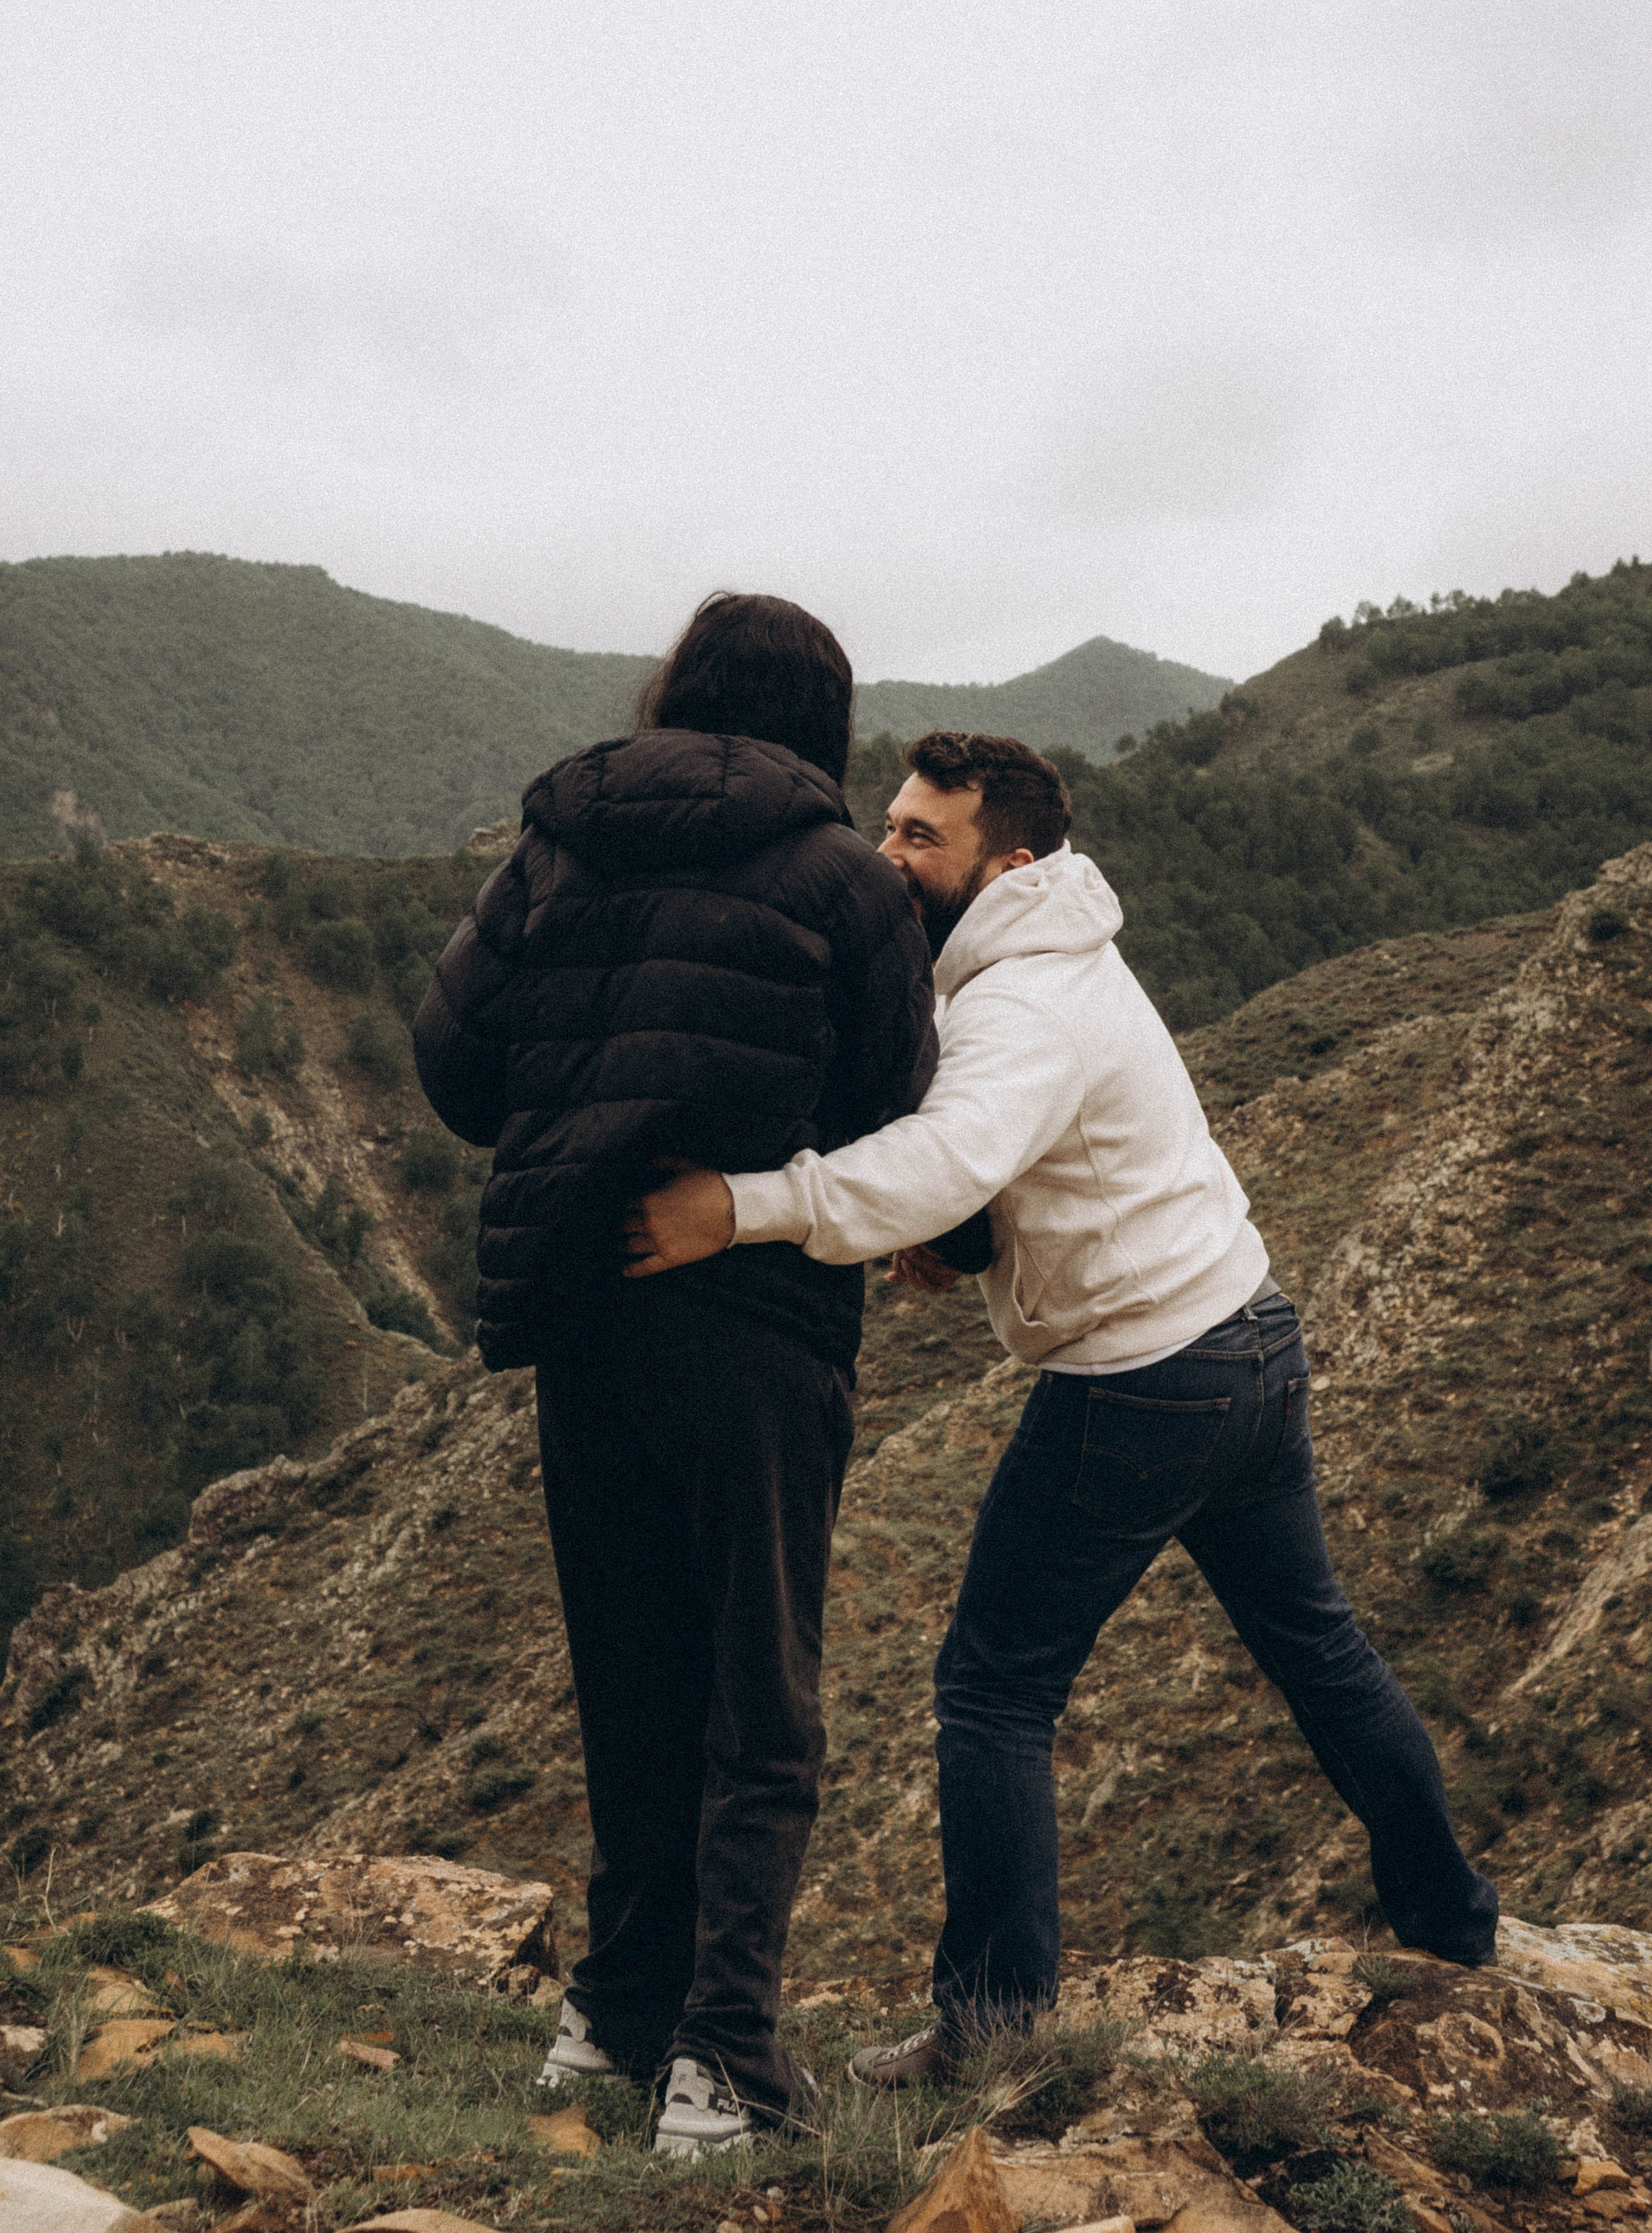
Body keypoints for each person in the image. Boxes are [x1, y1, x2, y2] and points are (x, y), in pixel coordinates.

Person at [623, 728, 1499, 2084]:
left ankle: (988, 2031)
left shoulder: (1017, 999)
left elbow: (952, 1153)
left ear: (1008, 862)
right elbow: (1007, 1166)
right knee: (1316, 1650)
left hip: (1143, 1378)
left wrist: (739, 1208)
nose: (885, 853)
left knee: (991, 1691)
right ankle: (1453, 1926)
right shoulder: (1052, 954)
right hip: (1248, 1335)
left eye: (922, 837)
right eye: (888, 824)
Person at [413, 594, 936, 2153]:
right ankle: (721, 2063)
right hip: (759, 1320)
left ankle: (609, 2020)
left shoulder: (554, 844)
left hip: (582, 1313)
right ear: (820, 724)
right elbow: (895, 1105)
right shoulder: (843, 878)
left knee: (630, 1670)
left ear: (675, 692)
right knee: (756, 1694)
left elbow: (452, 1069)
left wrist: (589, 1098)